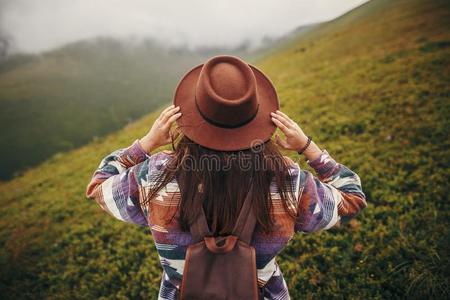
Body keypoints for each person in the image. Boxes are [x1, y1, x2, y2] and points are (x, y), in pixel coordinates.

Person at [86, 55, 367, 299]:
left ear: (190, 117)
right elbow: (351, 198)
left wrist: (145, 144)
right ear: (259, 119)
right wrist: (309, 149)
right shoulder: (289, 182)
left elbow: (99, 186)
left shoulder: (154, 175)